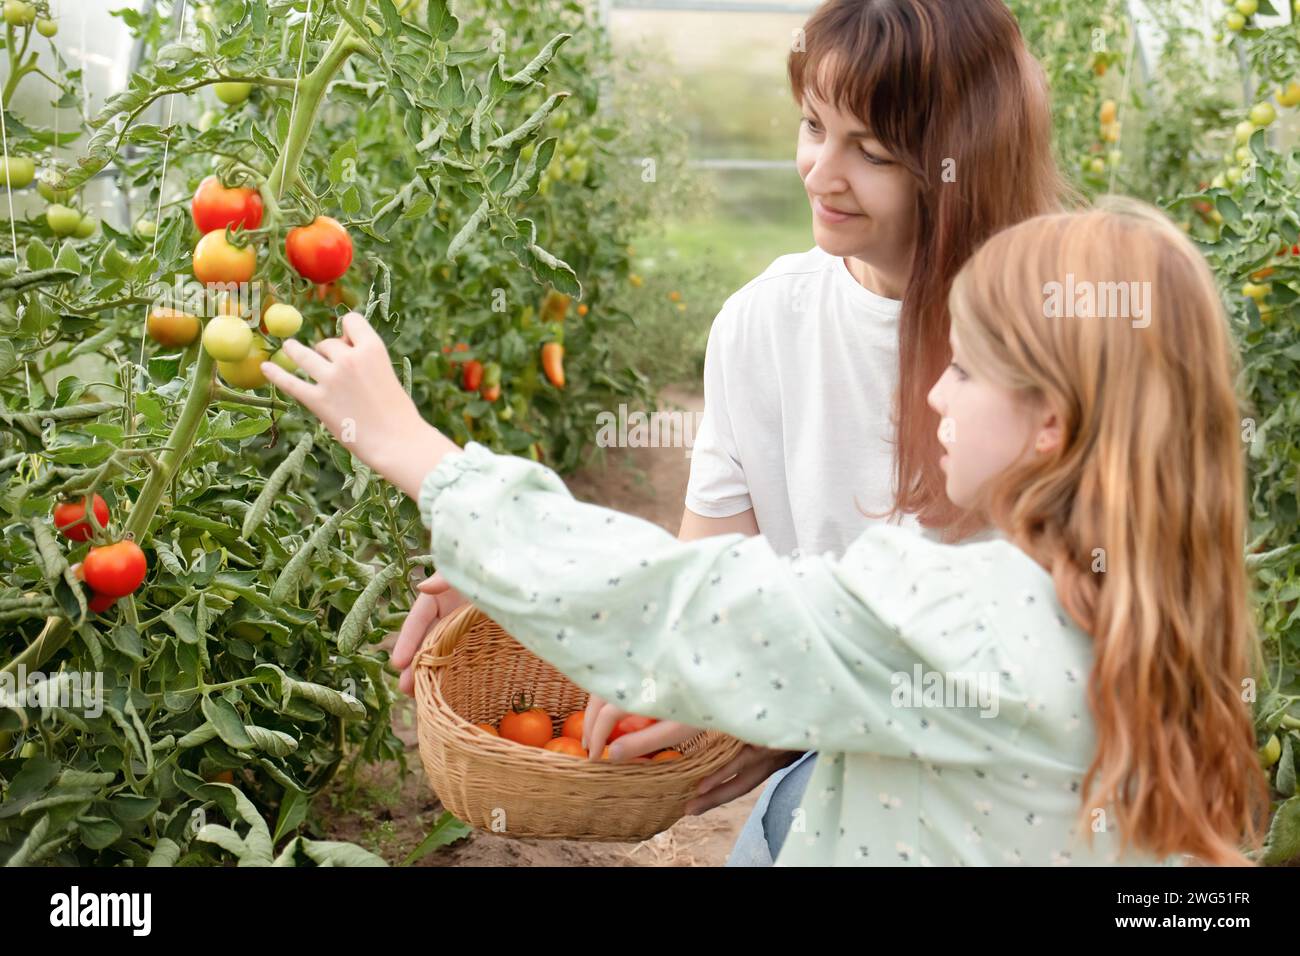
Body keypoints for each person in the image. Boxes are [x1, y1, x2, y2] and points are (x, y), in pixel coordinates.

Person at [262, 197, 1268, 866]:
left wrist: (422, 454)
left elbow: (687, 608)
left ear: (1049, 421)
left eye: (964, 368)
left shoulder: (960, 613)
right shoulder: (1149, 626)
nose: (933, 391)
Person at [387, 0, 1078, 865]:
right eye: (812, 125)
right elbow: (703, 590)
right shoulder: (762, 326)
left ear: (960, 166)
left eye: (870, 152)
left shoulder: (1037, 358)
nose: (820, 172)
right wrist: (530, 592)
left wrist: (784, 714)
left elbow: (1006, 660)